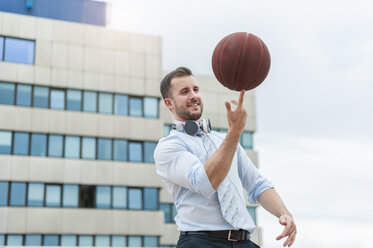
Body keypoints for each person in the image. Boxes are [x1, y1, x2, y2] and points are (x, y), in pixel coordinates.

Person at [154, 67, 296, 248]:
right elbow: (204, 181)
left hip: (244, 242)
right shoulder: (168, 146)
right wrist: (234, 133)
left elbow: (258, 183)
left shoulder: (225, 140)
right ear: (169, 103)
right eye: (184, 92)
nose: (193, 95)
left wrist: (283, 213)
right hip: (201, 242)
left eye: (195, 89)